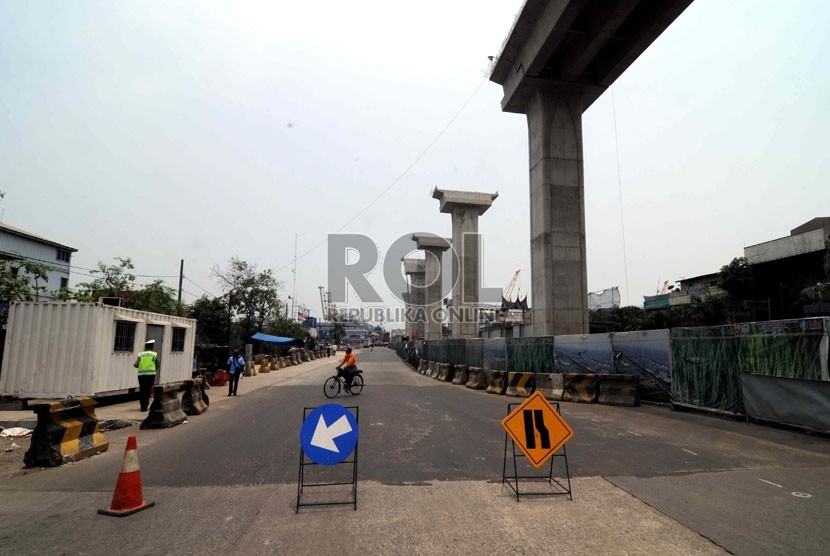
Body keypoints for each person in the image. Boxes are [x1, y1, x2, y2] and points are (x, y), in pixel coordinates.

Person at [134, 339, 159, 411]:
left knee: (142, 389)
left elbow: (136, 364)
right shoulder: (153, 354)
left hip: (141, 375)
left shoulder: (141, 354)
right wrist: (154, 369)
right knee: (148, 390)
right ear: (151, 347)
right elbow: (157, 364)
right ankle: (146, 405)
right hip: (151, 375)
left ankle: (142, 406)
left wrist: (141, 366)